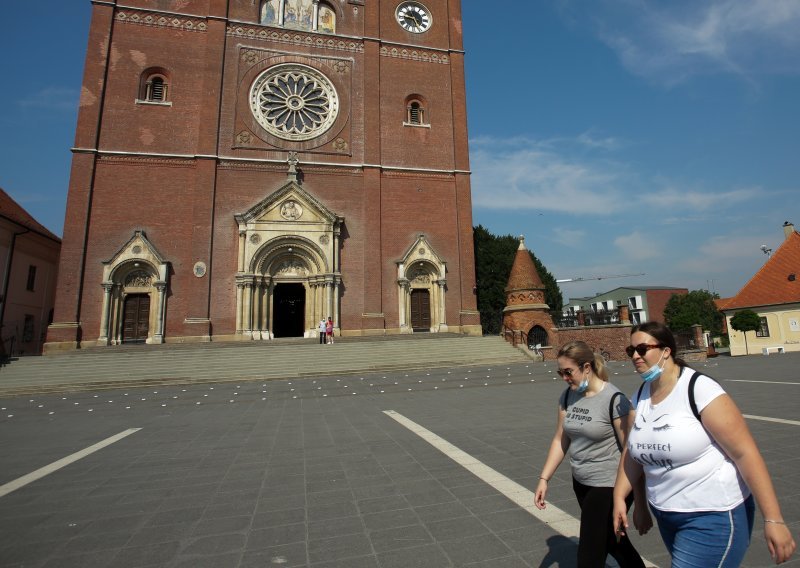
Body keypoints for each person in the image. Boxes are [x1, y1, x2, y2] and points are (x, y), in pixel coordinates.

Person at [613, 321, 796, 567]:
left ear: (666, 350)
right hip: (667, 515)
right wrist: (622, 499)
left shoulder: (700, 390)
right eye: (631, 351)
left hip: (712, 515)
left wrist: (773, 519)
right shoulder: (641, 395)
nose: (635, 356)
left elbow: (745, 453)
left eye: (642, 349)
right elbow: (633, 453)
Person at [535, 340, 647, 568]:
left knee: (589, 554)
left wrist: (641, 503)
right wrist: (544, 478)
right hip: (581, 482)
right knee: (613, 542)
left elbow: (632, 452)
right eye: (561, 373)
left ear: (587, 367)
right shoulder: (568, 397)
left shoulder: (615, 400)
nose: (565, 378)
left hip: (609, 485)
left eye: (569, 372)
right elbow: (560, 439)